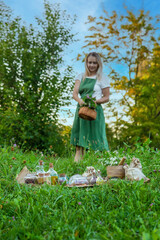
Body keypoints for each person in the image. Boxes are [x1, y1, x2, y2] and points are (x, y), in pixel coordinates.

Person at [70, 52, 110, 162]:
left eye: (94, 63)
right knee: (80, 143)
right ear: (86, 63)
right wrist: (80, 101)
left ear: (98, 64)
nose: (91, 65)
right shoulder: (80, 76)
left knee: (98, 139)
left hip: (95, 111)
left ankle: (103, 166)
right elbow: (75, 94)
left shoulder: (102, 78)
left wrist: (95, 102)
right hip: (82, 110)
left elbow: (106, 97)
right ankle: (77, 166)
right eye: (89, 62)